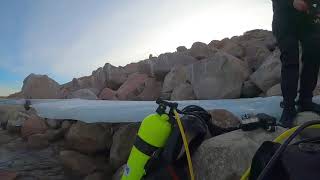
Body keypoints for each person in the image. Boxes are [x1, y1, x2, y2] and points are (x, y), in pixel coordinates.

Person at [272, 0, 320, 128]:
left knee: (314, 57)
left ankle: (305, 100)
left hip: (309, 21)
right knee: (290, 60)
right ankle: (288, 107)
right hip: (284, 20)